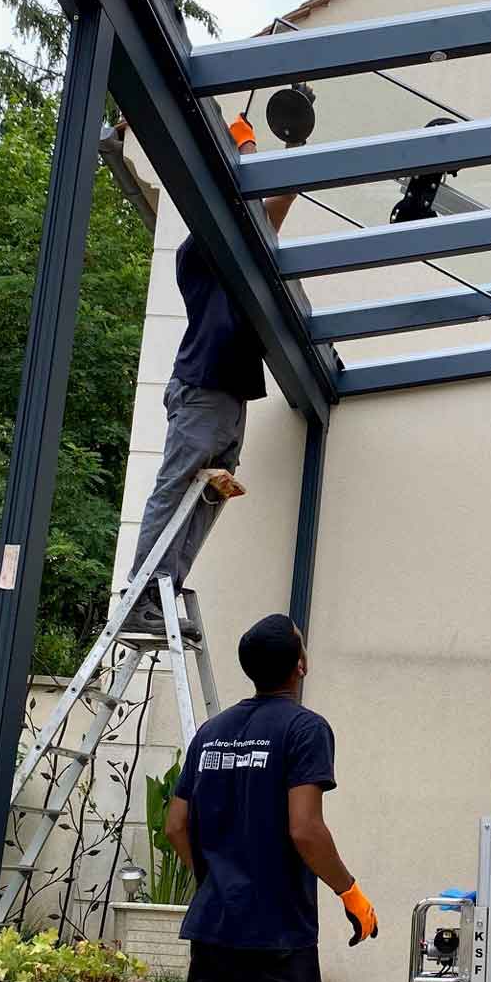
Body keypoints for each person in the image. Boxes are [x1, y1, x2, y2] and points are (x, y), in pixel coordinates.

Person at [164, 613, 377, 982]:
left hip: (213, 935)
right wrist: (351, 893)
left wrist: (216, 882)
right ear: (301, 664)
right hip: (276, 941)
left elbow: (176, 825)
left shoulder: (211, 733)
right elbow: (306, 829)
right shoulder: (305, 730)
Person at [128, 114, 301, 640]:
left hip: (228, 396)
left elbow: (273, 209)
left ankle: (165, 590)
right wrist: (242, 146)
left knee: (207, 495)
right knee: (176, 486)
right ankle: (142, 595)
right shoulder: (199, 252)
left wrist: (293, 149)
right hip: (205, 389)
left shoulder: (239, 255)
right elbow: (242, 204)